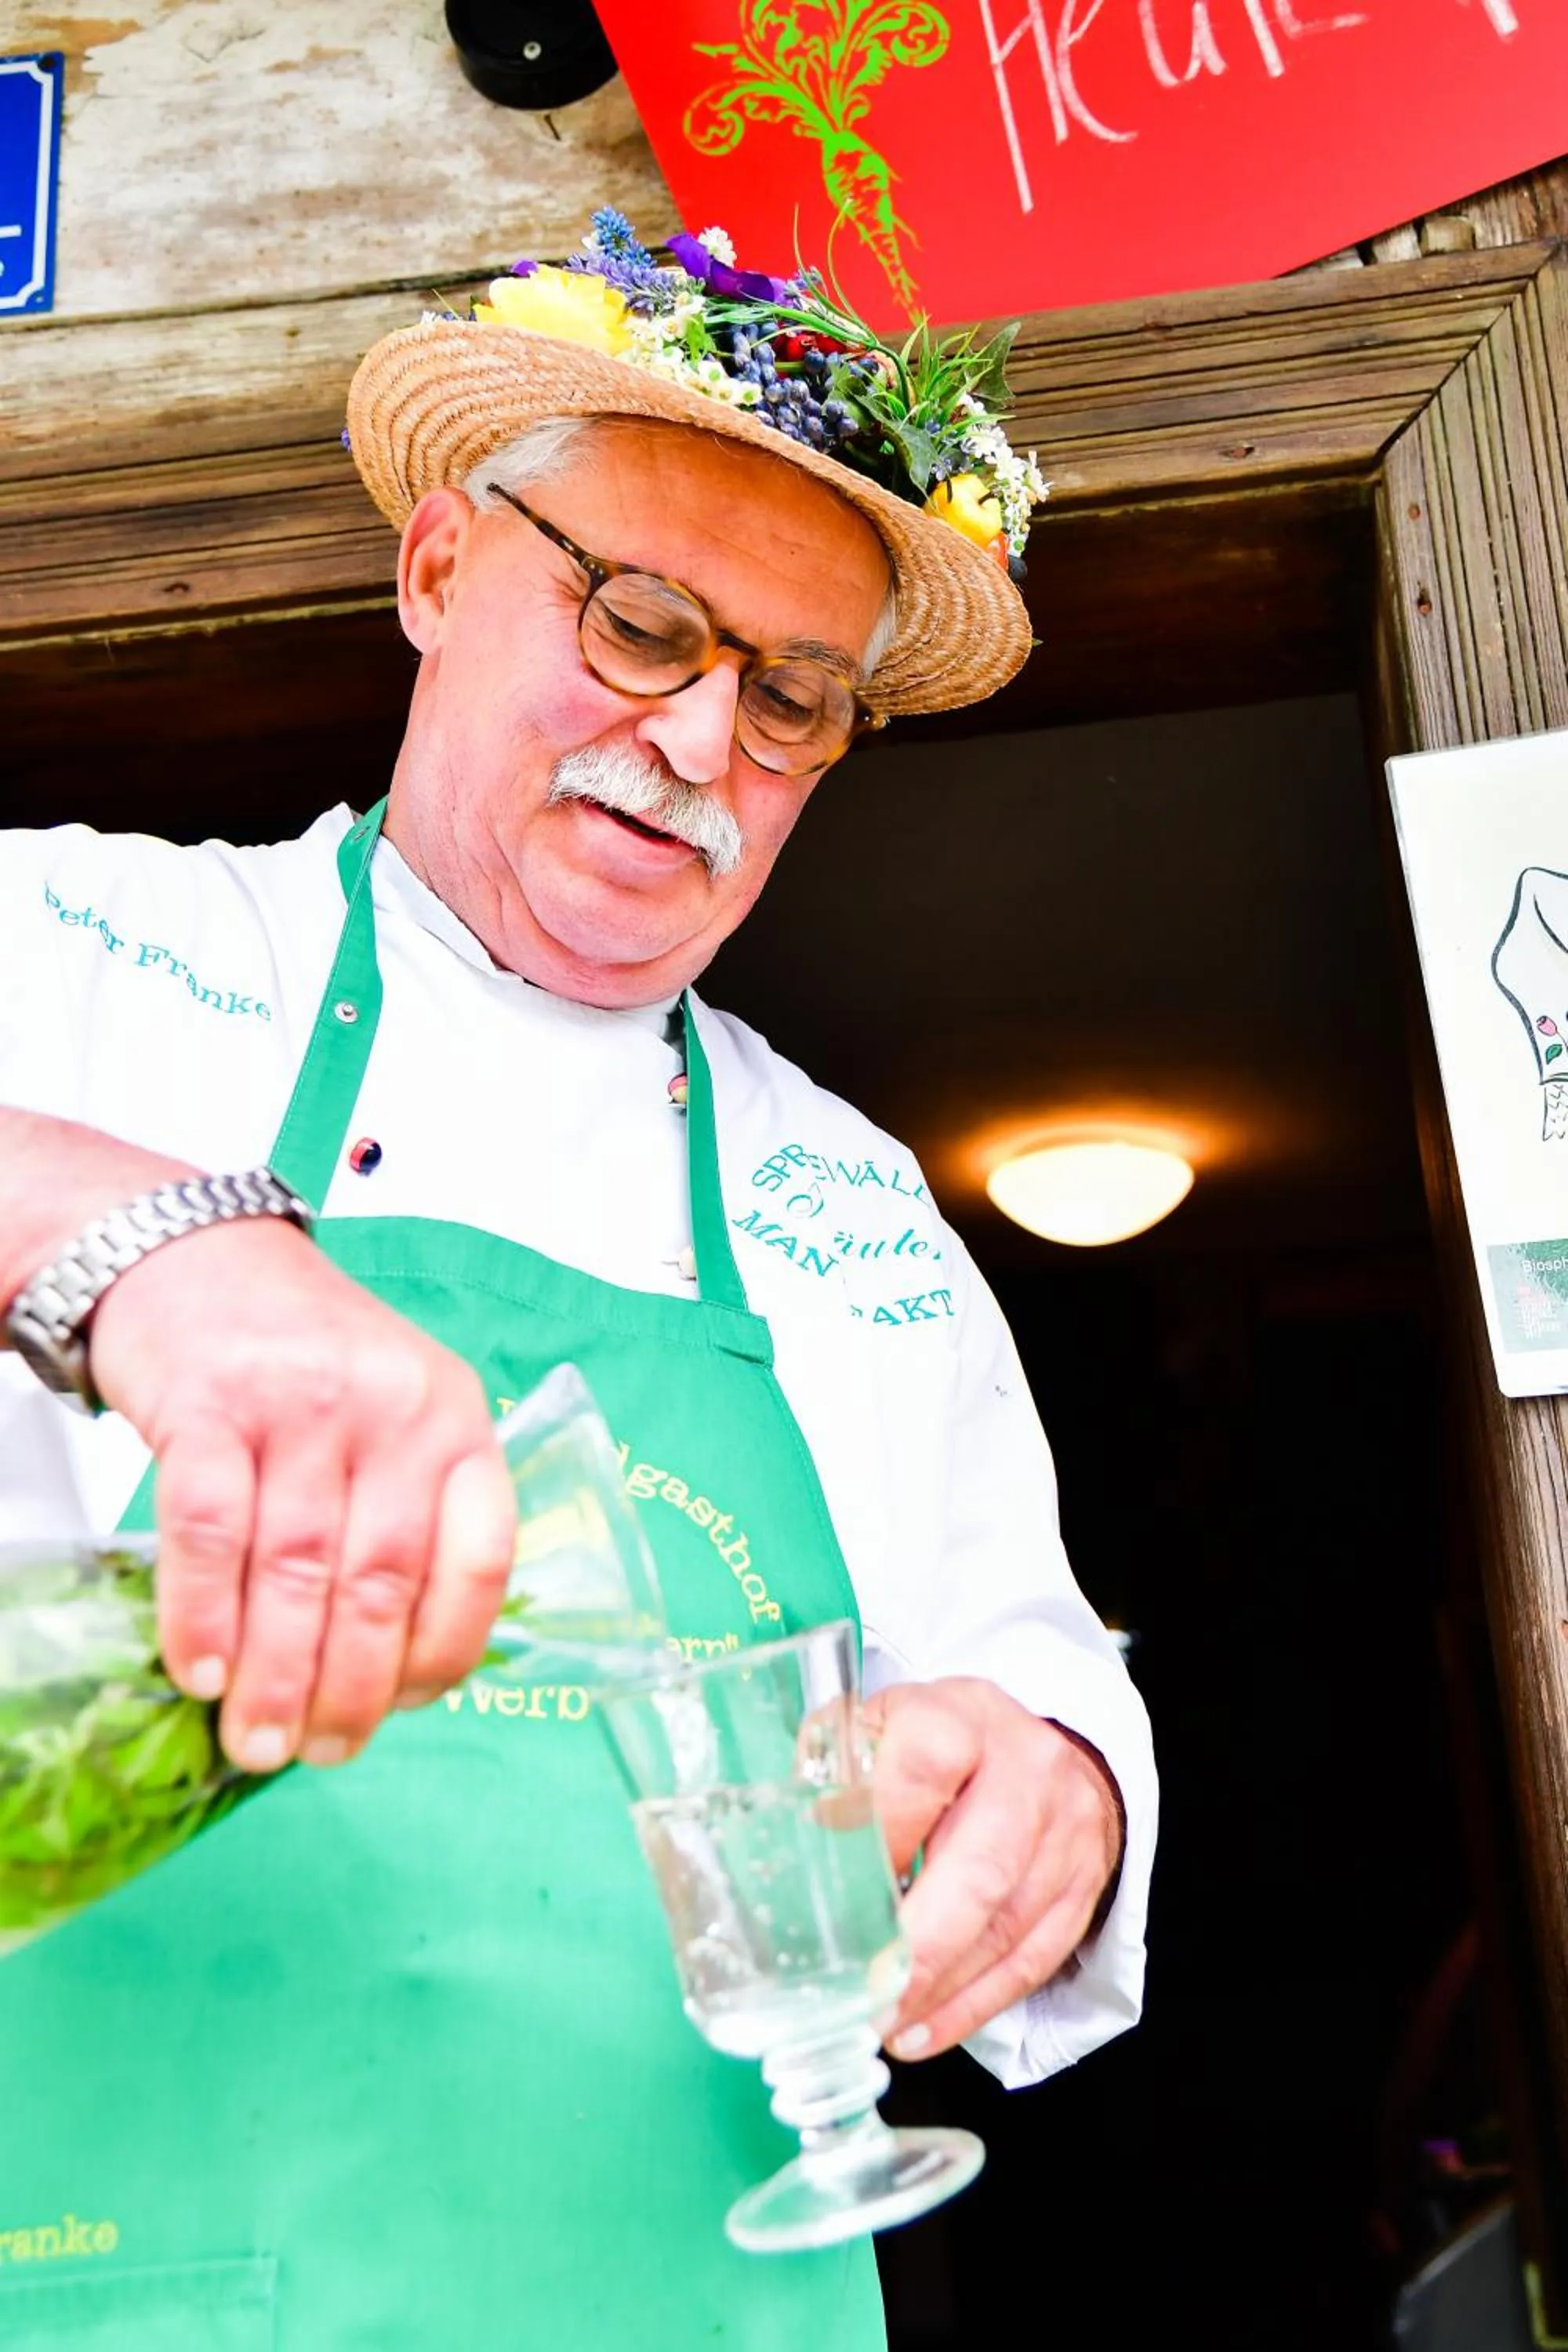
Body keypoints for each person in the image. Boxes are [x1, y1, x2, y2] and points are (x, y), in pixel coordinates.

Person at [0, 215, 1155, 2349]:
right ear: (439, 570)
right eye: (638, 624)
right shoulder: (62, 947)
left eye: (791, 693)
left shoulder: (850, 1206)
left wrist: (1051, 1785)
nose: (703, 738)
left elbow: (1033, 1676)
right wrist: (108, 1230)